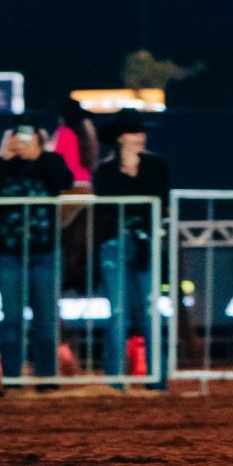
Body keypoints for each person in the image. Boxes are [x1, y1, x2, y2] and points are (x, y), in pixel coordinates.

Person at [0, 119, 79, 386]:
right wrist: (3, 158)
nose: (24, 145)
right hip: (10, 252)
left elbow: (66, 180)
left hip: (46, 252)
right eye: (19, 139)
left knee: (46, 320)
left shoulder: (50, 161)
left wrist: (40, 158)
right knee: (11, 320)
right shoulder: (4, 164)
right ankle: (12, 378)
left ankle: (47, 378)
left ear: (40, 141)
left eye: (30, 139)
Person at [89, 109, 167, 385]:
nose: (140, 137)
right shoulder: (106, 171)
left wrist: (134, 170)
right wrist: (127, 170)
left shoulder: (157, 166)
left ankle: (158, 379)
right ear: (120, 138)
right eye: (133, 132)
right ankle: (115, 380)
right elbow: (107, 200)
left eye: (140, 132)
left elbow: (158, 196)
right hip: (113, 244)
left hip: (145, 243)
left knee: (148, 310)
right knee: (118, 313)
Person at [51, 97, 98, 189]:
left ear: (63, 118)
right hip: (86, 182)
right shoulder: (88, 134)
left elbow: (53, 156)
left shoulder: (63, 133)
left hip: (70, 183)